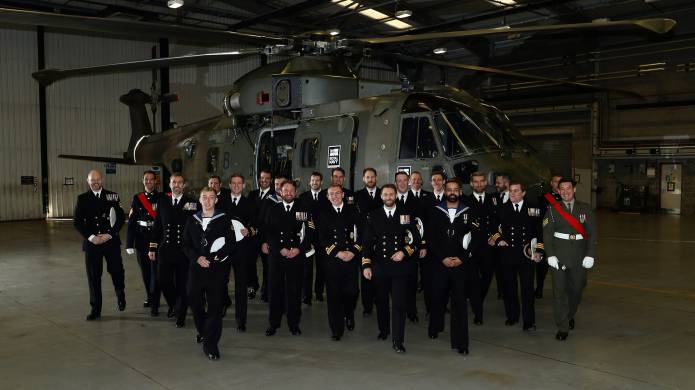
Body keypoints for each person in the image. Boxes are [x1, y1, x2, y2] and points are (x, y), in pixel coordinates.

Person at [362, 184, 420, 353]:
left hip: (400, 266)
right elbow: (367, 243)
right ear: (381, 196)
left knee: (399, 304)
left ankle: (398, 340)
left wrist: (404, 252)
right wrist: (366, 264)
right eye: (385, 194)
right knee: (381, 302)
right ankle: (384, 330)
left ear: (396, 195)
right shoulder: (373, 216)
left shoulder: (406, 214)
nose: (388, 197)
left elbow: (415, 240)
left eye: (391, 194)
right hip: (380, 266)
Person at [182, 187, 237, 360]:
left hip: (216, 269)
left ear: (216, 200)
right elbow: (185, 245)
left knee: (214, 307)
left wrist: (215, 258)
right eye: (204, 197)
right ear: (199, 199)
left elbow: (230, 243)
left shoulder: (224, 219)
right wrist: (197, 258)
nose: (207, 201)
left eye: (211, 197)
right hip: (196, 269)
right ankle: (203, 330)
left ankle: (211, 344)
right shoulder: (192, 220)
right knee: (194, 301)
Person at [427, 179, 479, 355]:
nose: (452, 192)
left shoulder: (469, 212)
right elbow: (430, 238)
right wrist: (442, 258)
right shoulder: (435, 212)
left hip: (460, 264)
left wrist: (462, 258)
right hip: (439, 264)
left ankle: (461, 343)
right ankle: (434, 327)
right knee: (437, 298)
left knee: (459, 303)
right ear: (444, 191)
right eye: (449, 189)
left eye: (455, 190)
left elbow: (476, 238)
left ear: (460, 192)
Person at [543, 178, 597, 341]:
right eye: (562, 189)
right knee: (559, 292)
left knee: (577, 288)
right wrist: (550, 254)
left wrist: (590, 254)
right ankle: (562, 326)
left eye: (568, 188)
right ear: (558, 192)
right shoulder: (552, 210)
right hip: (559, 255)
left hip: (579, 255)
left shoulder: (585, 209)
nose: (565, 191)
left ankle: (570, 314)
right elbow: (547, 233)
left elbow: (592, 233)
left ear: (574, 190)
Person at [73, 169, 126, 321]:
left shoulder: (112, 196)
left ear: (102, 180)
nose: (95, 182)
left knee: (117, 271)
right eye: (92, 180)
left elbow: (121, 218)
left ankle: (120, 294)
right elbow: (77, 222)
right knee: (94, 276)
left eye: (97, 179)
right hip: (92, 243)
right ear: (87, 181)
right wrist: (91, 237)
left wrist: (109, 234)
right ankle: (95, 308)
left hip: (110, 241)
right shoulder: (82, 198)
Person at [264, 180, 315, 337]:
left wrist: (299, 249)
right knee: (274, 290)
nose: (288, 193)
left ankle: (294, 324)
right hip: (277, 256)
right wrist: (280, 249)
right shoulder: (273, 209)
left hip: (296, 256)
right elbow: (268, 232)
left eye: (291, 190)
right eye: (285, 190)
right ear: (280, 192)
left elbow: (311, 232)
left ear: (296, 192)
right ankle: (274, 323)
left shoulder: (304, 210)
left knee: (294, 291)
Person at [493, 182, 544, 332]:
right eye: (511, 191)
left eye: (516, 191)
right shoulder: (502, 208)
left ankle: (529, 321)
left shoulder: (533, 208)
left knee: (527, 289)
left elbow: (538, 231)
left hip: (526, 255)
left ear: (523, 193)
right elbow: (493, 227)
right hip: (508, 254)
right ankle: (512, 316)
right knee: (509, 287)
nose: (513, 194)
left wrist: (539, 251)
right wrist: (498, 239)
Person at [149, 173, 198, 328]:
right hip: (165, 249)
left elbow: (196, 228)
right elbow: (157, 226)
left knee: (183, 285)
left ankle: (181, 314)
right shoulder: (162, 201)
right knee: (163, 280)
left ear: (184, 185)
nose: (177, 185)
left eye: (180, 182)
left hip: (183, 251)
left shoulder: (192, 203)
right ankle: (174, 305)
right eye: (174, 182)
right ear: (169, 184)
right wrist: (152, 247)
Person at [318, 184, 362, 341]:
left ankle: (349, 313)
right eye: (331, 194)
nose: (335, 196)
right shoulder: (323, 213)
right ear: (327, 197)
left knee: (352, 292)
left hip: (350, 258)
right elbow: (322, 238)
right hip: (333, 260)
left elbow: (361, 234)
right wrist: (337, 253)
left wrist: (353, 252)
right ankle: (336, 329)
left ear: (343, 194)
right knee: (334, 296)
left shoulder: (353, 210)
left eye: (337, 193)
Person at [218, 173, 257, 331]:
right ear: (229, 185)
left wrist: (249, 230)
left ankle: (241, 320)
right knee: (221, 282)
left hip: (242, 250)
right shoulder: (221, 202)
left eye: (239, 183)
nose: (236, 186)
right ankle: (222, 305)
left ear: (243, 186)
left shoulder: (250, 203)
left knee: (241, 285)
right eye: (233, 183)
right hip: (224, 248)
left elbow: (256, 224)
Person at [126, 170, 165, 315]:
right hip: (142, 240)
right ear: (143, 181)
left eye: (151, 179)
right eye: (146, 179)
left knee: (156, 272)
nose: (149, 182)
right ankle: (150, 297)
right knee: (146, 272)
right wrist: (129, 243)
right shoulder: (137, 198)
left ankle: (155, 302)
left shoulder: (163, 197)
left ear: (156, 181)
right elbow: (132, 222)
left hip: (157, 240)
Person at [467, 171, 499, 324]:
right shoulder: (465, 201)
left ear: (486, 183)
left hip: (488, 246)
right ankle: (478, 313)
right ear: (472, 184)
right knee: (472, 280)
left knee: (487, 277)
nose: (479, 184)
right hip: (472, 247)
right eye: (476, 182)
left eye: (482, 181)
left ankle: (476, 299)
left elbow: (498, 222)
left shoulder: (493, 199)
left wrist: (495, 237)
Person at [395, 171, 423, 323]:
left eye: (405, 180)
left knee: (412, 282)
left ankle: (412, 311)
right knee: (397, 284)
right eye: (399, 181)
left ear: (409, 182)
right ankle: (399, 310)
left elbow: (422, 224)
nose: (402, 183)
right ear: (396, 183)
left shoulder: (417, 201)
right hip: (395, 248)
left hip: (412, 247)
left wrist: (422, 245)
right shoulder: (390, 200)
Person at [355, 168, 381, 316]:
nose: (370, 179)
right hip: (364, 240)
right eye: (367, 177)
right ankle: (367, 306)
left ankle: (379, 301)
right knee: (365, 273)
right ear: (363, 179)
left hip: (380, 240)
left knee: (379, 273)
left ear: (376, 178)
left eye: (372, 177)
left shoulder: (383, 194)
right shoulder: (358, 195)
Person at [257, 175, 287, 302]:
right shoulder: (269, 201)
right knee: (269, 270)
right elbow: (263, 223)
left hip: (286, 244)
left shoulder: (291, 201)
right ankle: (267, 294)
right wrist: (264, 242)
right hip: (271, 243)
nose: (278, 187)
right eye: (276, 184)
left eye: (281, 184)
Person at [535, 173, 563, 299]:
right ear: (551, 183)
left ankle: (561, 291)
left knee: (561, 268)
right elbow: (539, 219)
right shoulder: (544, 198)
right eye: (556, 182)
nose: (558, 184)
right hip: (546, 236)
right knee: (541, 267)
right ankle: (539, 288)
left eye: (560, 182)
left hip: (561, 238)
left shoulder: (568, 198)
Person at [247, 169, 274, 300]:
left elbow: (270, 220)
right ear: (259, 179)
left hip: (265, 237)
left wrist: (264, 235)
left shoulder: (274, 196)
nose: (264, 180)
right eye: (262, 178)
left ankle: (266, 290)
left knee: (267, 265)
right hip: (252, 236)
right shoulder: (252, 194)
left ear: (271, 180)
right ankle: (252, 285)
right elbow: (248, 215)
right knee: (250, 263)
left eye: (267, 178)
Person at [298, 171, 324, 305]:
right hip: (307, 238)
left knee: (321, 268)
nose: (315, 183)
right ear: (309, 182)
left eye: (317, 180)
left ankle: (319, 293)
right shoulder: (302, 197)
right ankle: (306, 296)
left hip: (322, 238)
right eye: (313, 180)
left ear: (321, 182)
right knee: (306, 269)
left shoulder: (326, 196)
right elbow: (300, 218)